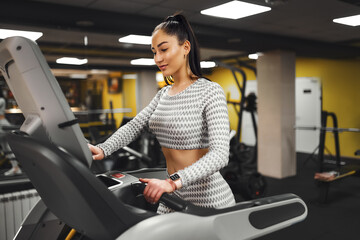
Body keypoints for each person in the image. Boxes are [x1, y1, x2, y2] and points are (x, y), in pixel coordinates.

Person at [88, 13, 235, 214]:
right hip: (171, 194)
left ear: (185, 47)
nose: (157, 58)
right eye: (154, 51)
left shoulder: (210, 91)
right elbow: (135, 125)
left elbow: (220, 155)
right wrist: (103, 149)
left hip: (208, 199)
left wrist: (173, 182)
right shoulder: (163, 94)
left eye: (164, 49)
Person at [0, 90, 21, 176]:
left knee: (6, 147)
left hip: (1, 125)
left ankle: (16, 168)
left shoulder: (1, 100)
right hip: (2, 124)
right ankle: (15, 168)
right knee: (6, 148)